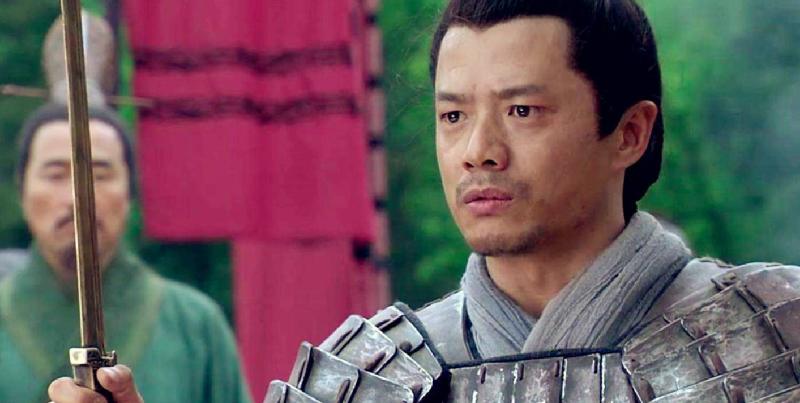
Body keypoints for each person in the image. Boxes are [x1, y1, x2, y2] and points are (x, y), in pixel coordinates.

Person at [49, 0, 800, 402]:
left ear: (629, 132)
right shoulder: (364, 377)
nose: (478, 149)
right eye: (452, 115)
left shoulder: (776, 334)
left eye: (522, 111)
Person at [2, 104, 251, 403]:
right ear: (22, 192)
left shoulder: (195, 323)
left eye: (100, 175)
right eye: (55, 174)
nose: (76, 197)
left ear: (130, 194)